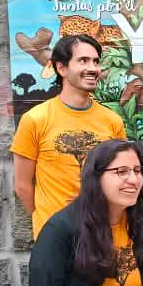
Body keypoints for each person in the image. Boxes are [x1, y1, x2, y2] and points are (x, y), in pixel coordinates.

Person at [29, 140, 143, 286]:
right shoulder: (59, 230)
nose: (134, 179)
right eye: (122, 171)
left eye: (137, 170)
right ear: (96, 177)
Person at [12, 34, 126, 239]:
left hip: (101, 235)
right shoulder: (35, 119)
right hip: (56, 238)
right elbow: (22, 186)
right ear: (61, 68)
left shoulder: (113, 121)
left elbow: (121, 176)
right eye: (83, 60)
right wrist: (50, 225)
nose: (93, 68)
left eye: (96, 61)